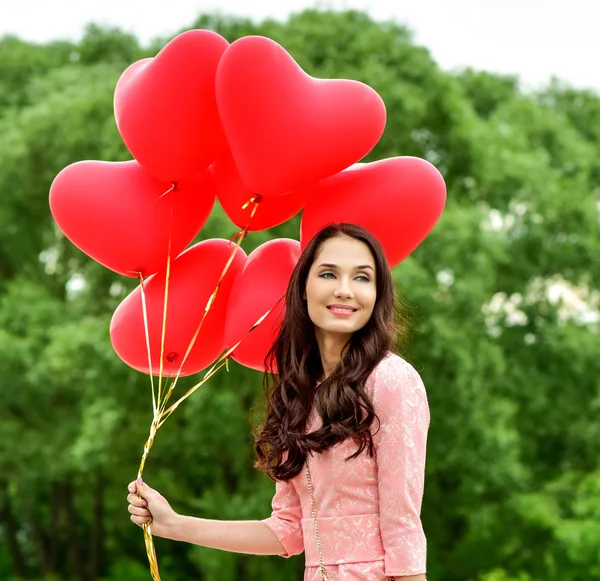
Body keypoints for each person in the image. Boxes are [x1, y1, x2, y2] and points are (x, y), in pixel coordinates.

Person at [127, 223, 430, 581]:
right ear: (303, 289)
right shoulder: (299, 393)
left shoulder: (391, 380)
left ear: (378, 294)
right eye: (329, 273)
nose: (345, 290)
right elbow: (288, 529)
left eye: (363, 278)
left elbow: (402, 524)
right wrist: (175, 525)